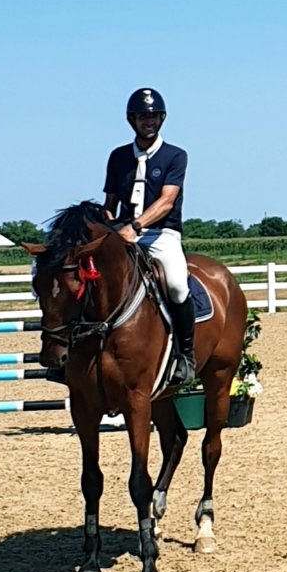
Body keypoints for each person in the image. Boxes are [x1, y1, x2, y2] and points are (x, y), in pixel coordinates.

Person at [101, 87, 195, 384]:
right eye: (142, 117)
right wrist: (109, 229)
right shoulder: (118, 157)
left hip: (161, 234)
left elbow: (167, 201)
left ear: (162, 118)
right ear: (132, 120)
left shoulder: (175, 156)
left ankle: (185, 355)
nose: (148, 122)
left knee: (177, 286)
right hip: (122, 234)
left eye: (153, 116)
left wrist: (136, 227)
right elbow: (109, 205)